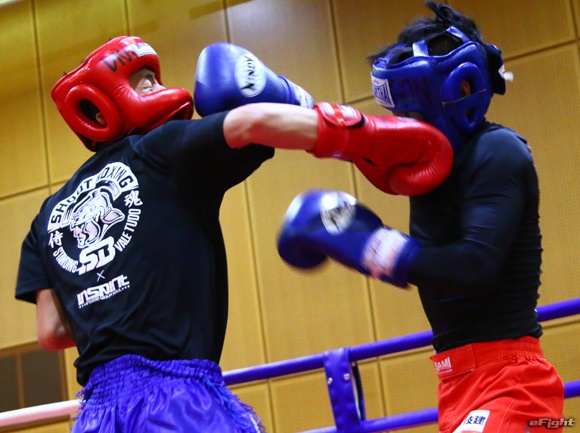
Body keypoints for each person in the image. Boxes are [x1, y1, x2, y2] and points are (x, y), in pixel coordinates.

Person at [14, 35, 451, 432]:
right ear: (101, 109)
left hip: (97, 417)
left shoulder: (46, 216)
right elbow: (249, 122)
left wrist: (108, 299)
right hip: (175, 401)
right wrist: (366, 137)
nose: (157, 87)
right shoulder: (158, 151)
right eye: (143, 82)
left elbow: (52, 332)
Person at [276, 2, 565, 432]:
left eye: (417, 109)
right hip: (457, 383)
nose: (407, 123)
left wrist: (376, 247)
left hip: (512, 381)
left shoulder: (498, 151)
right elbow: (355, 136)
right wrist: (280, 101)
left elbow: (475, 266)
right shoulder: (426, 162)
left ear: (461, 87)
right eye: (401, 112)